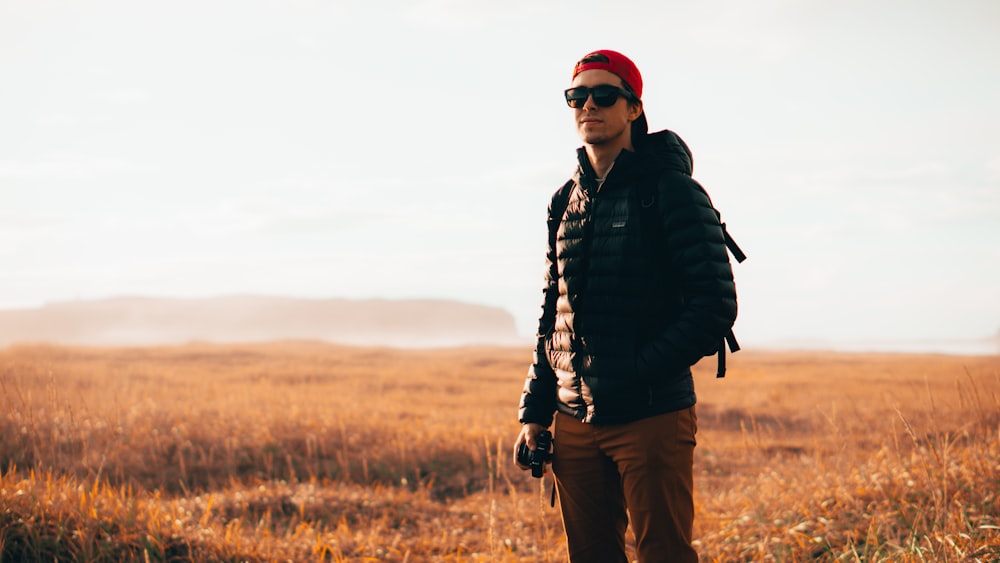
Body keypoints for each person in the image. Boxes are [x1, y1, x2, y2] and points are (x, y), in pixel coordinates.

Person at [514, 49, 738, 563]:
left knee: (664, 554)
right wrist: (535, 410)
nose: (588, 104)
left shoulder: (672, 192)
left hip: (651, 415)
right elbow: (554, 312)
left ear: (634, 107)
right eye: (578, 96)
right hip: (573, 420)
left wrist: (636, 371)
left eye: (604, 94)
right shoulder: (562, 201)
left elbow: (713, 307)